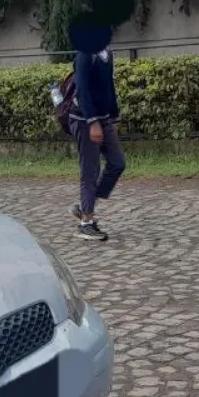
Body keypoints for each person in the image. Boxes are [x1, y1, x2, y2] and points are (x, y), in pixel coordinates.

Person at [67, 23, 125, 242]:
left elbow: (109, 85)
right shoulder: (85, 53)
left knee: (117, 163)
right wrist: (92, 122)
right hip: (83, 119)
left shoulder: (106, 52)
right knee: (90, 170)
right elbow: (81, 89)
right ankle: (86, 223)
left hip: (104, 118)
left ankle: (86, 206)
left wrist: (115, 114)